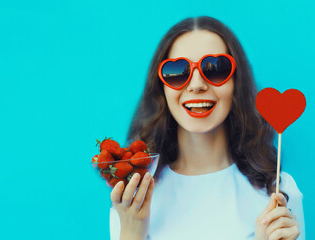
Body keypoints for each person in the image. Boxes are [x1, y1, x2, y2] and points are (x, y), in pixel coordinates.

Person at [109, 16, 305, 240]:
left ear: (236, 83)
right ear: (161, 87)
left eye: (215, 69)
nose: (197, 85)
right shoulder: (132, 197)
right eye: (178, 71)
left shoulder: (279, 193)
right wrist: (132, 233)